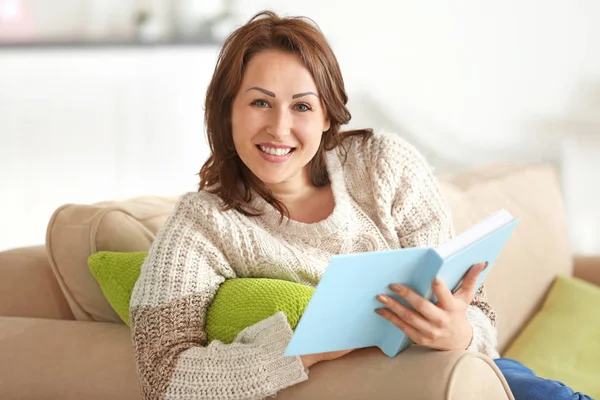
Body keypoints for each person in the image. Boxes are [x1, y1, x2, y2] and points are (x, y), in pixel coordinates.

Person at [129, 10, 592, 400]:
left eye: (302, 107)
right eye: (260, 103)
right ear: (226, 110)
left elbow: (478, 315)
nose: (280, 127)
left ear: (327, 114)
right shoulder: (204, 222)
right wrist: (295, 351)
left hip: (458, 377)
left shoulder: (383, 165)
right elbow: (163, 373)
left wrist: (461, 332)